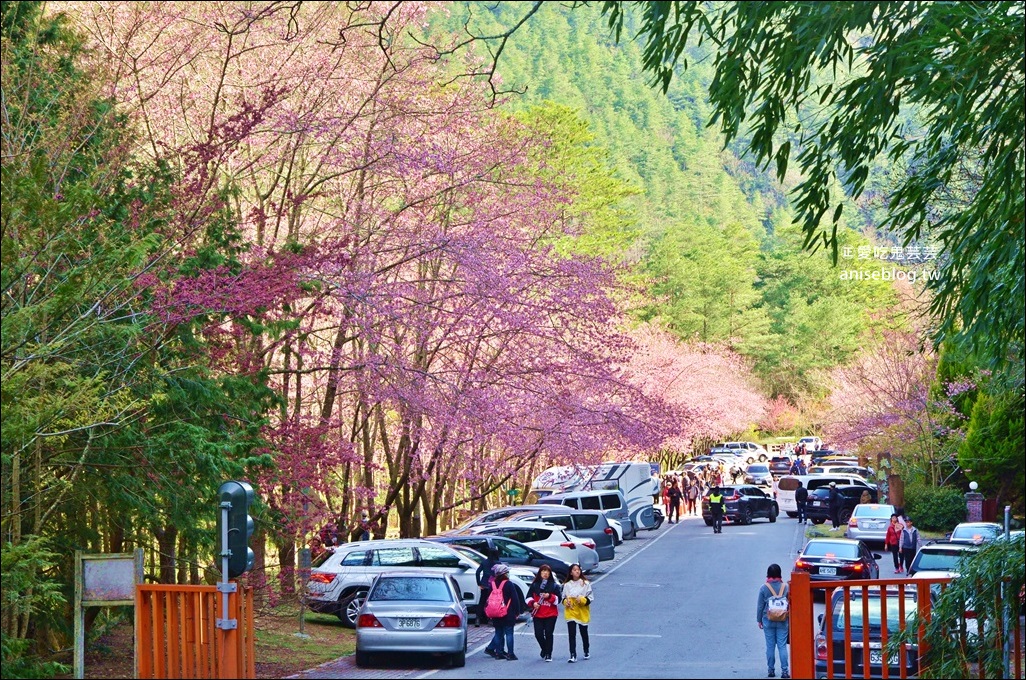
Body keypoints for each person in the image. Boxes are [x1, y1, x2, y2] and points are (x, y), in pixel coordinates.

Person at [756, 563, 790, 679]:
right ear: (780, 574)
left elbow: (760, 606)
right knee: (782, 646)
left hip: (768, 620)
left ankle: (771, 670)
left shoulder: (764, 588)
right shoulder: (786, 587)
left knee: (770, 646)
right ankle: (785, 671)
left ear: (768, 574)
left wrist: (759, 620)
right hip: (783, 620)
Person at [484, 563, 522, 660]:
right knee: (509, 633)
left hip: (495, 613)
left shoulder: (492, 584)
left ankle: (499, 653)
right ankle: (510, 654)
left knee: (498, 633)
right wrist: (517, 612)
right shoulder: (509, 584)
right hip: (507, 612)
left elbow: (487, 599)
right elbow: (515, 598)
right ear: (505, 574)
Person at [526, 564, 562, 661]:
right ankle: (544, 648)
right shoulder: (534, 585)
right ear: (540, 573)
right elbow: (528, 597)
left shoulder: (554, 586)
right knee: (538, 634)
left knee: (549, 633)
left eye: (547, 571)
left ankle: (548, 654)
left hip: (551, 614)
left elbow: (558, 600)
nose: (545, 573)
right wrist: (533, 603)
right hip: (538, 614)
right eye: (543, 571)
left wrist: (549, 597)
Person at [561, 563, 593, 663]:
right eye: (574, 570)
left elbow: (590, 598)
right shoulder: (567, 585)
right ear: (571, 572)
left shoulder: (585, 583)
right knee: (572, 633)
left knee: (583, 632)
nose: (577, 571)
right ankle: (572, 654)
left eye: (578, 569)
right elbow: (563, 598)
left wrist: (582, 600)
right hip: (571, 611)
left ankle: (586, 649)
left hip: (582, 611)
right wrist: (566, 602)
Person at [475, 548, 501, 627]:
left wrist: (479, 583)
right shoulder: (498, 563)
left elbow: (477, 572)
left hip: (485, 584)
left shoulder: (484, 562)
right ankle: (491, 619)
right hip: (493, 585)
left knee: (482, 601)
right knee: (492, 602)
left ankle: (478, 619)